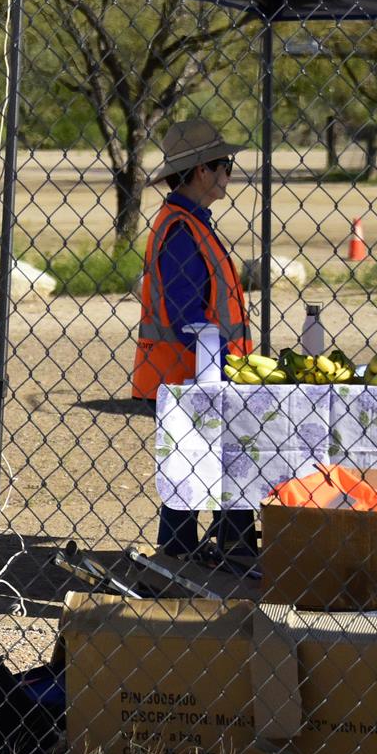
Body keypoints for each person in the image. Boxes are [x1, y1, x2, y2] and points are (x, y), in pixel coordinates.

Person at [131, 119, 257, 562]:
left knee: (214, 464)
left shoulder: (191, 223)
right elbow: (187, 317)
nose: (229, 175)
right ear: (202, 170)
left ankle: (216, 548)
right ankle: (190, 554)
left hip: (200, 375)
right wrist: (225, 369)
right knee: (199, 468)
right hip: (189, 377)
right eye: (225, 166)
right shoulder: (182, 231)